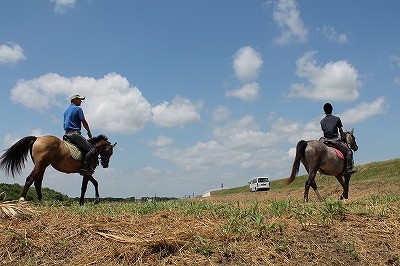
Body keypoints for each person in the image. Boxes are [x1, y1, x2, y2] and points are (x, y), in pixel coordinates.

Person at [63, 93, 96, 175]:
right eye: (79, 99)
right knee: (92, 149)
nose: (81, 101)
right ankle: (84, 168)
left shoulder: (66, 110)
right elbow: (83, 121)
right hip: (75, 134)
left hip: (66, 135)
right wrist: (89, 132)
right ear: (74, 100)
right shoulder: (78, 109)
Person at [320, 103, 355, 174]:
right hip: (334, 140)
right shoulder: (337, 119)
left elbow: (325, 131)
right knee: (349, 152)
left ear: (324, 111)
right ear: (332, 110)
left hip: (325, 141)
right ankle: (348, 169)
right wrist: (343, 138)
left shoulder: (322, 121)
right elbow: (341, 132)